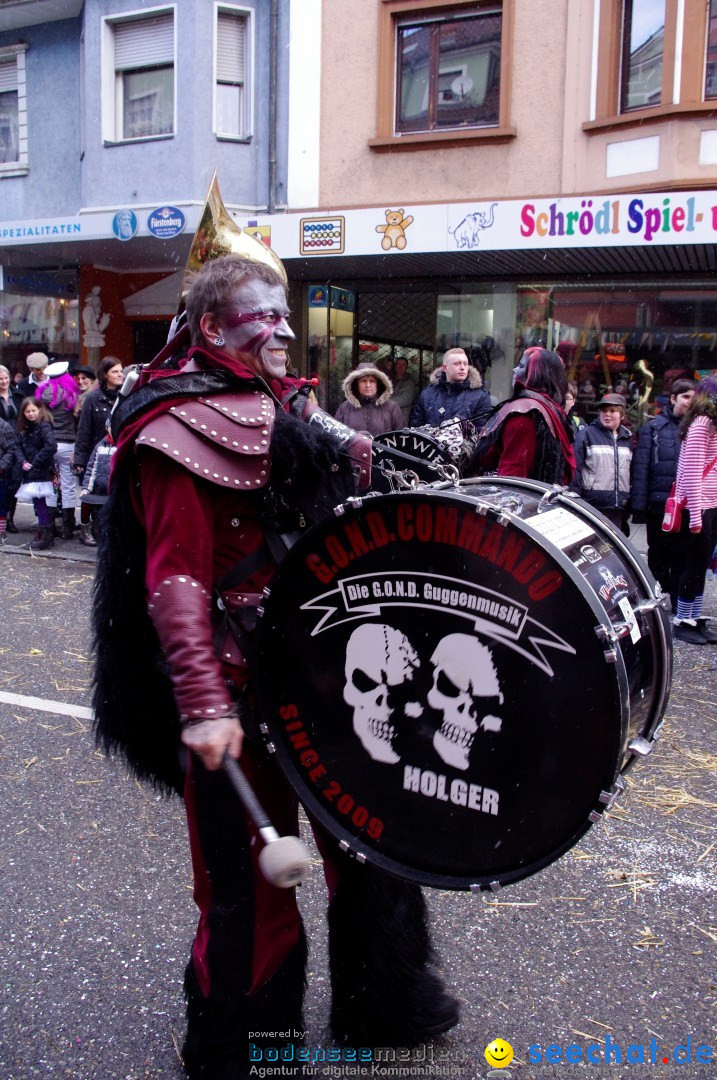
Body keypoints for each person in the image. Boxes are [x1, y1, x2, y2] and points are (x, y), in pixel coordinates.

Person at [92, 254, 458, 1078]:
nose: (285, 331)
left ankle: (383, 1003)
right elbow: (175, 582)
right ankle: (251, 1047)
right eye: (264, 316)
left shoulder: (293, 408)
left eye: (285, 314)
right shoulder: (172, 429)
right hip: (233, 691)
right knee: (245, 891)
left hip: (328, 682)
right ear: (213, 328)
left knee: (366, 850)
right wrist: (202, 702)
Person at [631, 379, 696, 608]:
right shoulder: (654, 428)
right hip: (659, 504)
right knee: (658, 555)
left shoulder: (697, 428)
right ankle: (657, 601)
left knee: (682, 556)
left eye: (693, 397)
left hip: (687, 506)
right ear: (673, 398)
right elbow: (641, 467)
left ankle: (679, 602)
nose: (690, 402)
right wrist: (639, 505)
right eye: (686, 396)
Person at [469, 347, 575, 484]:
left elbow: (512, 475)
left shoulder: (525, 413)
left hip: (515, 500)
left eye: (522, 366)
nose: (515, 370)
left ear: (537, 374)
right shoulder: (550, 409)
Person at [671, 376, 717, 644]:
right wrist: (697, 515)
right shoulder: (701, 425)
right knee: (693, 565)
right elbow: (690, 473)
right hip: (697, 507)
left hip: (710, 505)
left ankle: (694, 616)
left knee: (700, 565)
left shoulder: (710, 424)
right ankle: (682, 620)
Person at [571, 393, 632, 530]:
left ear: (622, 415)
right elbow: (575, 469)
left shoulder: (627, 439)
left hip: (618, 506)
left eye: (612, 411)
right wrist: (574, 498)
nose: (607, 415)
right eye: (604, 411)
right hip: (593, 503)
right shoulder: (586, 434)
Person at [38, 368, 80, 539]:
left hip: (49, 444)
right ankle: (68, 527)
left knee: (52, 485)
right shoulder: (71, 395)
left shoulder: (43, 395)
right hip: (67, 444)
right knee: (68, 486)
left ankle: (50, 526)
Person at [13, 397, 58, 550]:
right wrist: (22, 461)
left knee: (40, 503)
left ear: (39, 409)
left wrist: (35, 462)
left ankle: (45, 536)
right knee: (38, 503)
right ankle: (43, 534)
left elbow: (51, 446)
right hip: (29, 468)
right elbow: (17, 446)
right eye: (27, 411)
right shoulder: (23, 427)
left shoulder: (44, 426)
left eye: (33, 410)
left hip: (41, 469)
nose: (31, 414)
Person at [409, 348, 491, 429]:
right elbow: (416, 429)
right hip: (429, 442)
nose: (462, 367)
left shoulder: (480, 397)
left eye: (465, 364)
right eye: (457, 363)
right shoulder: (427, 395)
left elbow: (483, 434)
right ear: (445, 368)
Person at [73, 356, 123, 478]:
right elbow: (84, 430)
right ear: (105, 375)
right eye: (115, 372)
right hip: (99, 455)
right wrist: (79, 460)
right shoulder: (92, 398)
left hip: (121, 454)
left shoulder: (126, 396)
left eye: (121, 371)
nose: (120, 375)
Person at [334, 361, 404, 436]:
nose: (368, 385)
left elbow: (400, 439)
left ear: (378, 383)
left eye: (372, 381)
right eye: (363, 381)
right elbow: (336, 437)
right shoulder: (344, 408)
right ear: (356, 384)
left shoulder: (392, 408)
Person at [78, 425, 116, 547]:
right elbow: (91, 468)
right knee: (85, 500)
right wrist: (86, 488)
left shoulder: (122, 446)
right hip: (98, 489)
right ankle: (84, 531)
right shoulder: (100, 446)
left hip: (111, 491)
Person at [0, 414, 18, 540]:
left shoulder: (4, 427)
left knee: (1, 504)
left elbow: (12, 449)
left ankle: (1, 533)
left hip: (0, 474)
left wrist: (1, 467)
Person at [391, 356, 418, 423]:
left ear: (407, 367)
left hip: (401, 418)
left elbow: (406, 399)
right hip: (387, 417)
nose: (400, 367)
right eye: (398, 364)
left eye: (403, 365)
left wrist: (387, 402)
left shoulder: (409, 382)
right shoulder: (389, 378)